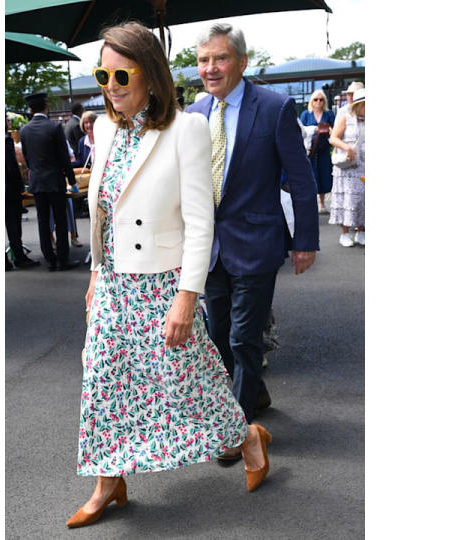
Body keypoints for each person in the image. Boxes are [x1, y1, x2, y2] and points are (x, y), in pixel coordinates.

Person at [68, 22, 272, 529]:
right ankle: (107, 480)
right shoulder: (105, 128)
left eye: (121, 74)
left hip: (162, 284)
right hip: (114, 284)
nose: (110, 85)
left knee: (189, 383)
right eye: (102, 74)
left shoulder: (186, 129)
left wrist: (187, 297)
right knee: (103, 383)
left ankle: (246, 437)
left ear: (150, 74)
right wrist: (96, 271)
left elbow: (201, 222)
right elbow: (105, 211)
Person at [185, 23, 319, 443]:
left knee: (244, 335)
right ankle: (255, 395)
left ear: (242, 62)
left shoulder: (275, 107)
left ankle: (235, 431)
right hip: (209, 248)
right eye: (204, 60)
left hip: (258, 244)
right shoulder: (193, 114)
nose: (211, 68)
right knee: (220, 335)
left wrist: (306, 242)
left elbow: (301, 179)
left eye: (220, 58)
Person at [18, 92, 82, 271]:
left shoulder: (24, 130)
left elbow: (28, 159)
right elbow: (64, 159)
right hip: (55, 181)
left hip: (37, 182)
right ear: (46, 107)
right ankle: (63, 259)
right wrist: (72, 181)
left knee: (43, 221)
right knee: (60, 221)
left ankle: (50, 259)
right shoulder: (54, 128)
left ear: (30, 109)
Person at [329, 87, 366, 247]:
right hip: (347, 168)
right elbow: (333, 139)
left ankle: (361, 231)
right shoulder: (346, 117)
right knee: (348, 199)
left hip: (364, 166)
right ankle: (345, 233)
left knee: (364, 200)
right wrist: (347, 147)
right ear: (359, 105)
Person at [6, 115, 39, 270]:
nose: (9, 122)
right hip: (8, 190)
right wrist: (21, 188)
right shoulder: (6, 140)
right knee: (13, 227)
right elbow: (11, 168)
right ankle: (19, 257)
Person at [300, 89, 335, 214]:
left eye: (321, 99)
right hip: (311, 151)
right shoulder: (306, 114)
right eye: (316, 99)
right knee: (311, 177)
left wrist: (328, 129)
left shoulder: (329, 114)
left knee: (324, 176)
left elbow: (334, 131)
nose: (318, 102)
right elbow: (301, 130)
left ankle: (322, 203)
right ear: (312, 101)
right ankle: (311, 204)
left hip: (324, 149)